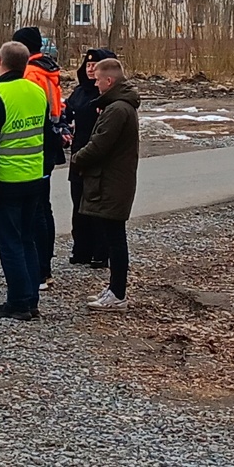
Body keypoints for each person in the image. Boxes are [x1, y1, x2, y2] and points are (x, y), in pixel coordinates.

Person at [0, 39, 60, 319]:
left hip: (6, 181)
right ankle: (31, 299)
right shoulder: (37, 92)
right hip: (34, 179)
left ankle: (19, 301)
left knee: (9, 242)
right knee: (27, 240)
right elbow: (47, 136)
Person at [69, 56, 141, 308]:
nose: (96, 84)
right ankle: (114, 288)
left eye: (99, 79)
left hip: (112, 183)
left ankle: (118, 293)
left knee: (115, 239)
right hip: (112, 181)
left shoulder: (117, 110)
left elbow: (99, 145)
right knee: (114, 236)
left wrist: (76, 159)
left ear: (109, 81)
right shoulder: (117, 106)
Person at [9, 26, 64, 286]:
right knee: (45, 206)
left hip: (37, 144)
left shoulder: (31, 73)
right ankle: (45, 265)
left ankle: (40, 268)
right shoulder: (49, 69)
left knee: (37, 209)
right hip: (50, 141)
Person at [62, 46, 116, 267]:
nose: (91, 69)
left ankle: (100, 252)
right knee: (79, 205)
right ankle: (81, 248)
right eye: (88, 64)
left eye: (96, 65)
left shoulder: (108, 95)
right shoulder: (79, 91)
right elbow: (66, 114)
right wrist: (64, 128)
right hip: (78, 154)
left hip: (99, 157)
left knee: (97, 207)